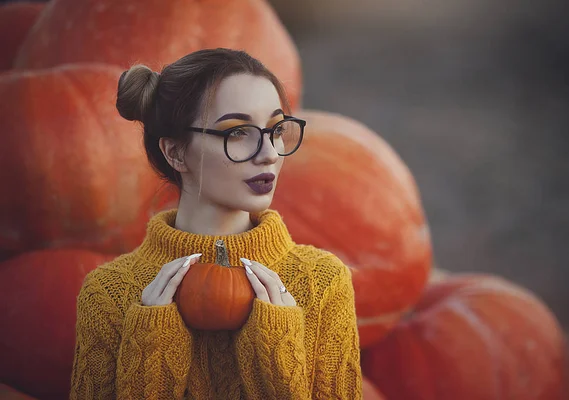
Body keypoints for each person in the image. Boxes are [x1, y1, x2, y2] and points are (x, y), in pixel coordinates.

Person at [69, 48, 362, 400]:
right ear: (175, 152)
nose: (268, 152)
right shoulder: (107, 295)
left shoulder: (323, 283)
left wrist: (276, 357)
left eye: (275, 129)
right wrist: (150, 352)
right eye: (237, 132)